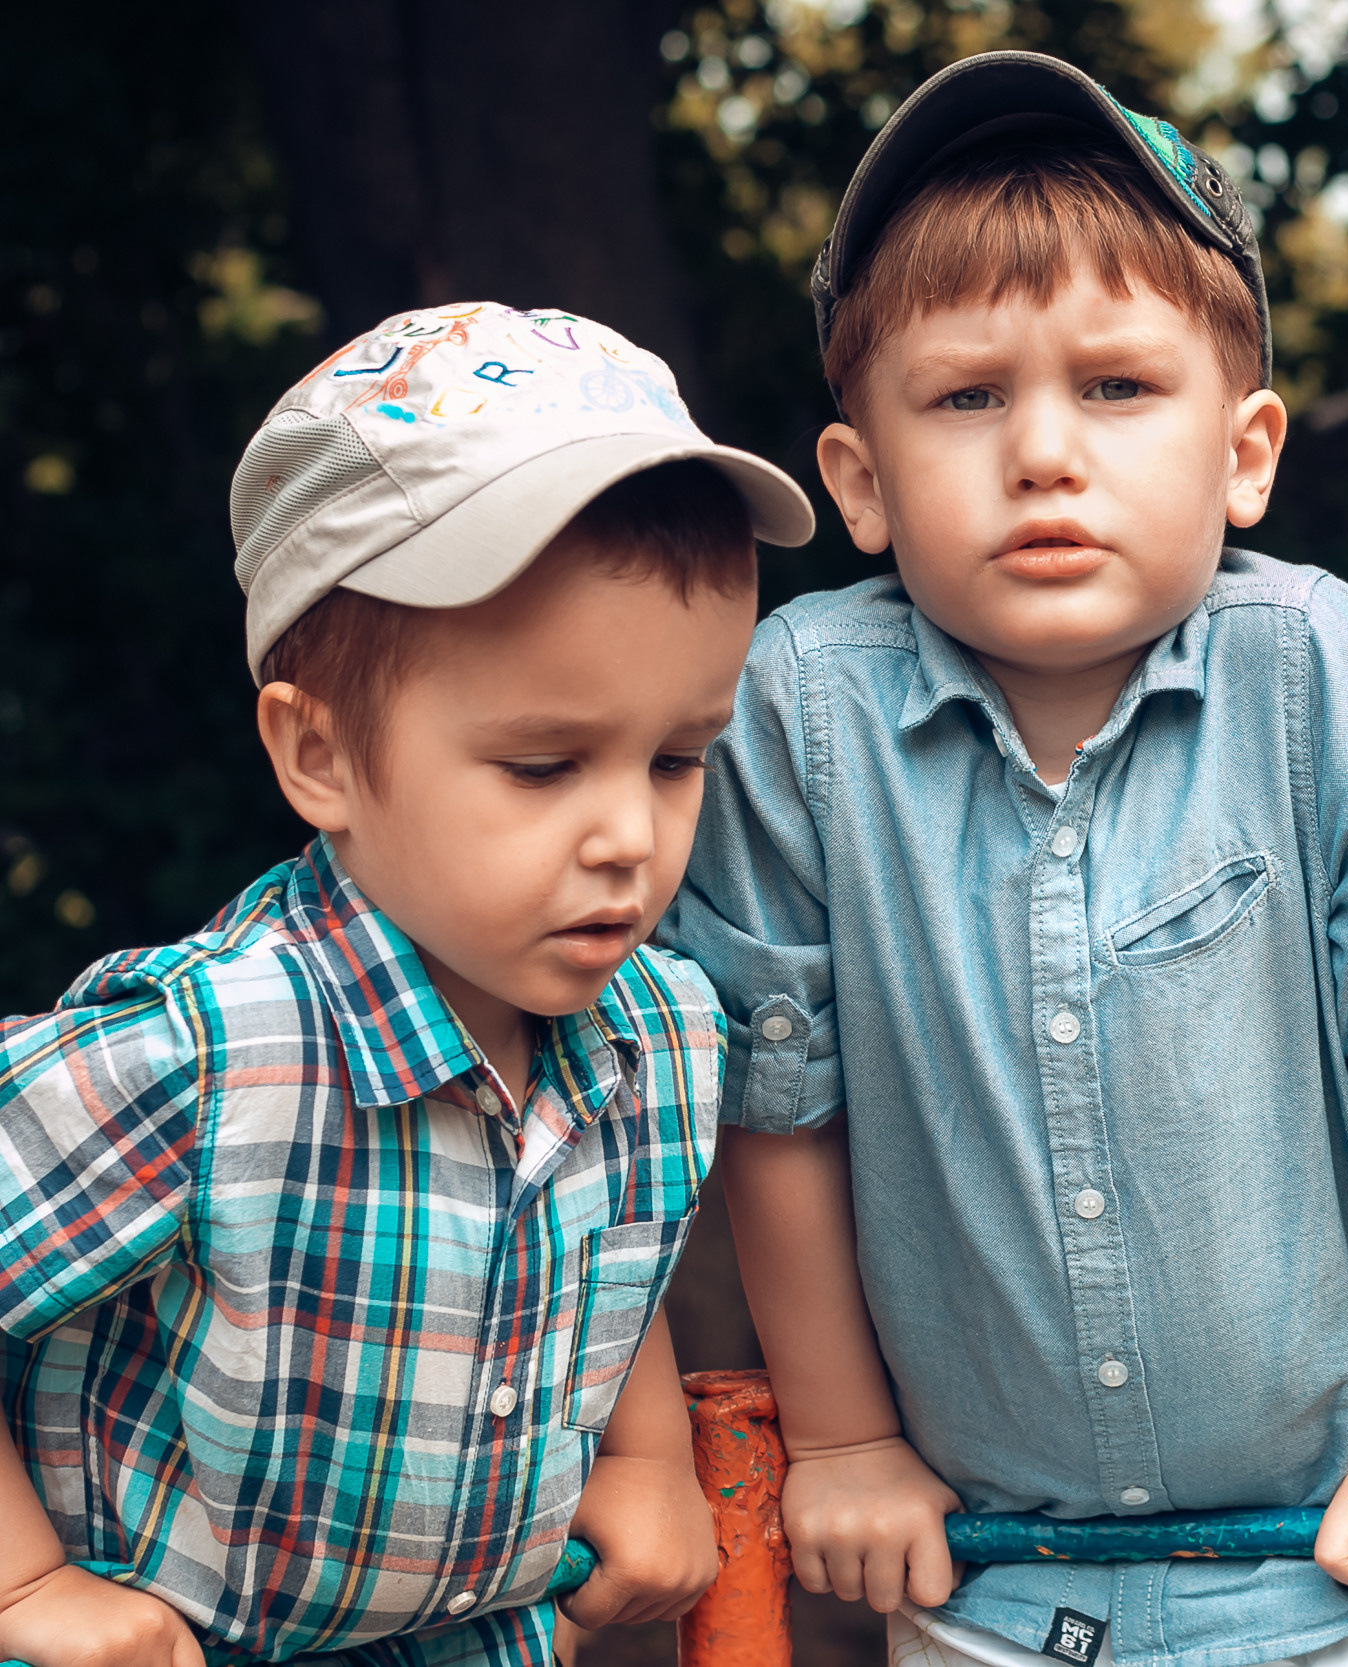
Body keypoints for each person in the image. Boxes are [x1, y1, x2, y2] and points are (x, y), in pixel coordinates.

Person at [658, 51, 1348, 1667]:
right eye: (967, 397)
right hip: (997, 1585)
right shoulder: (802, 703)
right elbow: (781, 1102)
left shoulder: (1313, 667)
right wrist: (850, 1445)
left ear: (1245, 453)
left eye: (1119, 388)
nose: (1044, 453)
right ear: (858, 480)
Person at [0, 302, 818, 1667]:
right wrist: (23, 1587)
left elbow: (608, 1265)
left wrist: (649, 1454)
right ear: (318, 757)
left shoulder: (665, 1038)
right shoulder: (213, 1052)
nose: (629, 835)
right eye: (546, 767)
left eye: (677, 759)